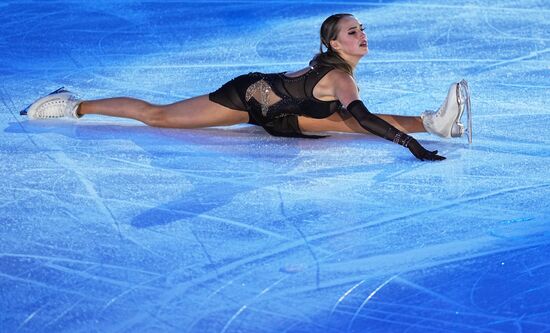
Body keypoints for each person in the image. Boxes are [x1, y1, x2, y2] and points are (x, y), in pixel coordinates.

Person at [23, 14, 471, 161]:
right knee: (159, 116)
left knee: (342, 125)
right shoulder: (339, 76)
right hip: (250, 97)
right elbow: (362, 114)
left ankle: (438, 122)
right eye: (352, 32)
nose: (362, 36)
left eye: (362, 29)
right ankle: (72, 104)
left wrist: (411, 137)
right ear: (334, 43)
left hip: (284, 116)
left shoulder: (338, 72)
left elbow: (356, 115)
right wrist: (408, 144)